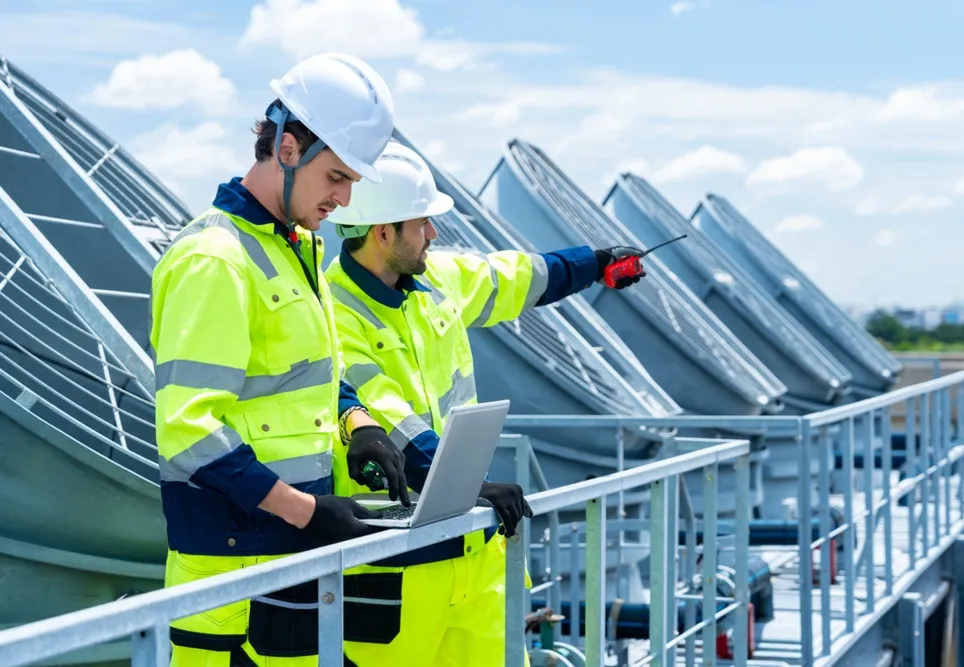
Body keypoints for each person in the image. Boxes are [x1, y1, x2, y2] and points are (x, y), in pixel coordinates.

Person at [322, 140, 647, 667]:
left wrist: (597, 262)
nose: (434, 234)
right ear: (384, 232)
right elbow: (387, 418)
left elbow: (519, 276)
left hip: (474, 548)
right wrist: (469, 485)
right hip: (398, 562)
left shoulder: (436, 281)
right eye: (423, 223)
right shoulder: (332, 310)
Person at [149, 53, 411, 667]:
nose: (343, 200)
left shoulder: (298, 249)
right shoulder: (214, 258)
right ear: (287, 149)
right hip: (227, 582)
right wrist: (308, 511)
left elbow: (315, 376)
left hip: (290, 560)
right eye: (336, 178)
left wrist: (361, 426)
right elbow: (187, 429)